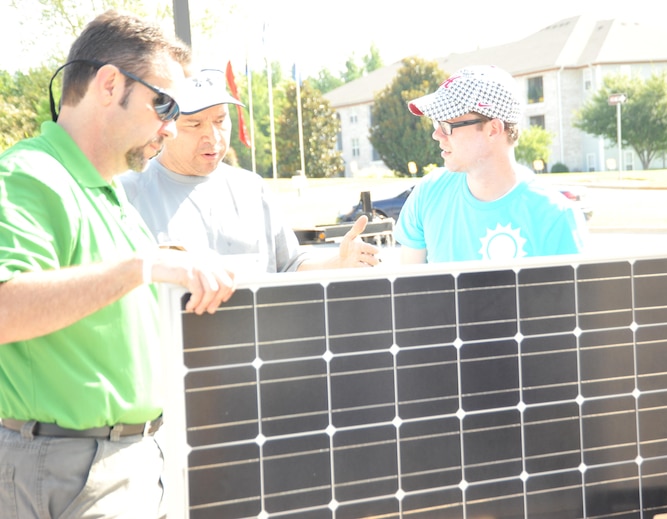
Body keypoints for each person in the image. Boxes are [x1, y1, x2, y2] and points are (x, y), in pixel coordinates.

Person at [0, 11, 236, 519]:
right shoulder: (28, 175)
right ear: (109, 84)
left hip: (121, 462)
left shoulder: (106, 189)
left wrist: (164, 263)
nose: (172, 129)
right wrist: (140, 266)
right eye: (165, 105)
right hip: (73, 467)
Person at [120, 69, 380, 271]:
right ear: (166, 123)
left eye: (221, 120)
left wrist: (338, 262)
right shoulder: (127, 194)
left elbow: (289, 265)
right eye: (195, 123)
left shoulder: (252, 189)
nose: (213, 136)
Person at [394, 65, 587, 264]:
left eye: (446, 125)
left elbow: (572, 294)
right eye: (436, 123)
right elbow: (406, 288)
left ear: (493, 129)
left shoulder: (556, 217)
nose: (436, 135)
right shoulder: (428, 194)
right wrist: (364, 269)